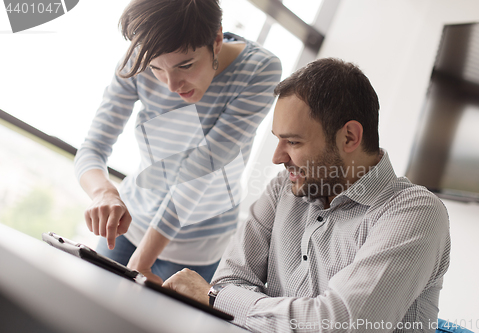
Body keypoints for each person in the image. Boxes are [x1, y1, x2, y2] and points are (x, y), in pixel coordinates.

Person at [162, 58, 451, 333]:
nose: (277, 157)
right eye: (278, 139)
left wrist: (218, 299)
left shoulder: (415, 212)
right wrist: (301, 317)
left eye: (293, 141)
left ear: (349, 137)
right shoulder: (284, 189)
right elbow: (229, 281)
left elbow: (340, 325)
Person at [74, 0, 282, 285]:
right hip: (133, 224)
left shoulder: (259, 70)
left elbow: (201, 168)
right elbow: (93, 148)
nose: (171, 85)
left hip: (199, 247)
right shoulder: (139, 57)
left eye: (185, 65)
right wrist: (104, 193)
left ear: (217, 40)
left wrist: (142, 262)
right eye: (156, 69)